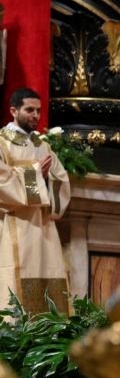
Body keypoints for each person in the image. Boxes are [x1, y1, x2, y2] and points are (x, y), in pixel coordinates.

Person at [0, 87, 71, 315]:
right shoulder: (2, 143)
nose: (36, 116)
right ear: (13, 110)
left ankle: (48, 338)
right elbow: (3, 182)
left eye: (38, 111)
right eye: (29, 110)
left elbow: (61, 179)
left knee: (48, 276)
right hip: (14, 226)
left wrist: (48, 179)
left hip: (43, 229)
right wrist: (34, 175)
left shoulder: (43, 145)